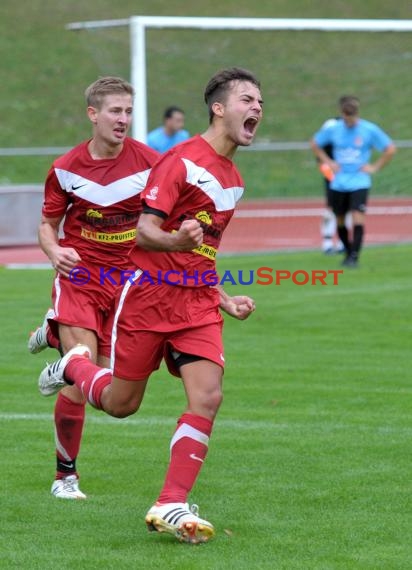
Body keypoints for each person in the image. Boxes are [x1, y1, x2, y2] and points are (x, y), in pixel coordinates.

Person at [37, 66, 263, 543]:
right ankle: (73, 368)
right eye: (248, 100)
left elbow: (201, 252)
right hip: (144, 294)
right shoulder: (179, 161)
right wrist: (175, 237)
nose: (258, 108)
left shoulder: (233, 178)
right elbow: (145, 232)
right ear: (219, 107)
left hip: (195, 303)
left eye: (260, 102)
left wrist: (223, 299)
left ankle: (171, 502)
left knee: (208, 395)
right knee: (121, 405)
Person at [29, 76, 160, 499]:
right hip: (80, 277)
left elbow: (165, 221)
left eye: (128, 111)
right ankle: (64, 477)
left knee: (109, 393)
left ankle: (52, 333)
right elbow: (47, 225)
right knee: (78, 372)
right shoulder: (66, 168)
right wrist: (54, 252)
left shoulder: (152, 164)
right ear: (93, 114)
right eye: (115, 111)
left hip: (126, 285)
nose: (123, 119)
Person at [311, 95, 396, 267]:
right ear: (342, 115)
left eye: (352, 118)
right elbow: (315, 143)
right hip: (339, 182)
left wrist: (375, 167)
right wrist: (329, 162)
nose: (350, 122)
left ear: (357, 115)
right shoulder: (334, 129)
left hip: (359, 182)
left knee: (358, 218)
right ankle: (349, 252)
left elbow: (390, 148)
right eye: (346, 119)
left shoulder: (369, 129)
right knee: (340, 219)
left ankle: (354, 256)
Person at [315, 117, 346, 254]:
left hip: (347, 179)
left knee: (346, 209)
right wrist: (333, 178)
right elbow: (322, 165)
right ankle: (327, 242)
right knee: (331, 208)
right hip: (333, 179)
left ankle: (342, 242)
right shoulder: (325, 146)